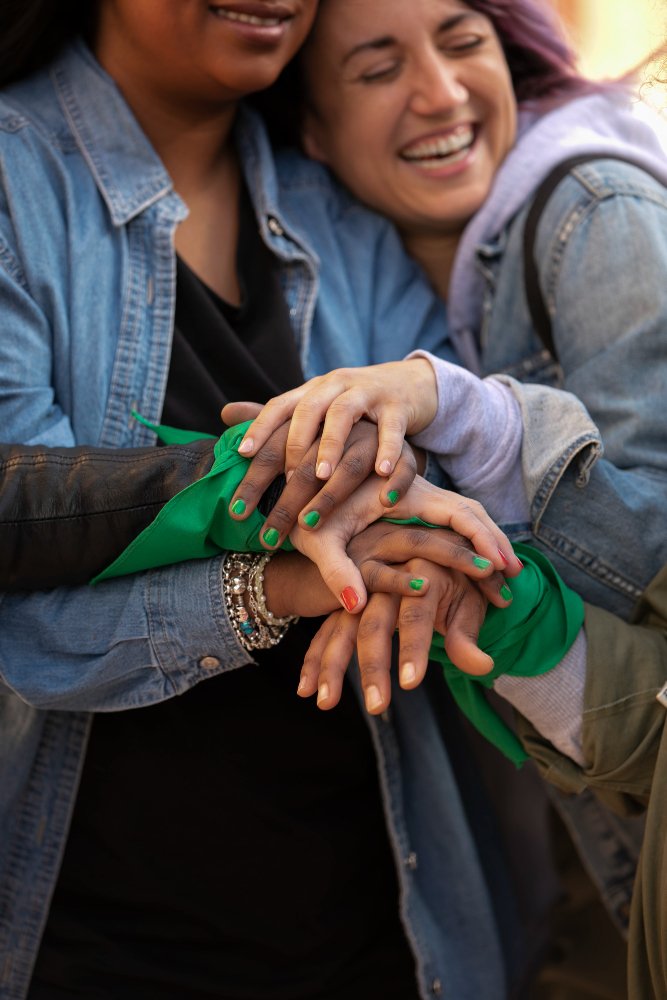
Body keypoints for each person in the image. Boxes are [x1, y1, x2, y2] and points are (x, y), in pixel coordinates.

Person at [0, 3, 561, 999]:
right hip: (87, 937)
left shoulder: (334, 195)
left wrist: (388, 538)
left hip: (390, 923)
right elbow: (24, 586)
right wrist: (285, 563)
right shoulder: (15, 174)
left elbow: (444, 500)